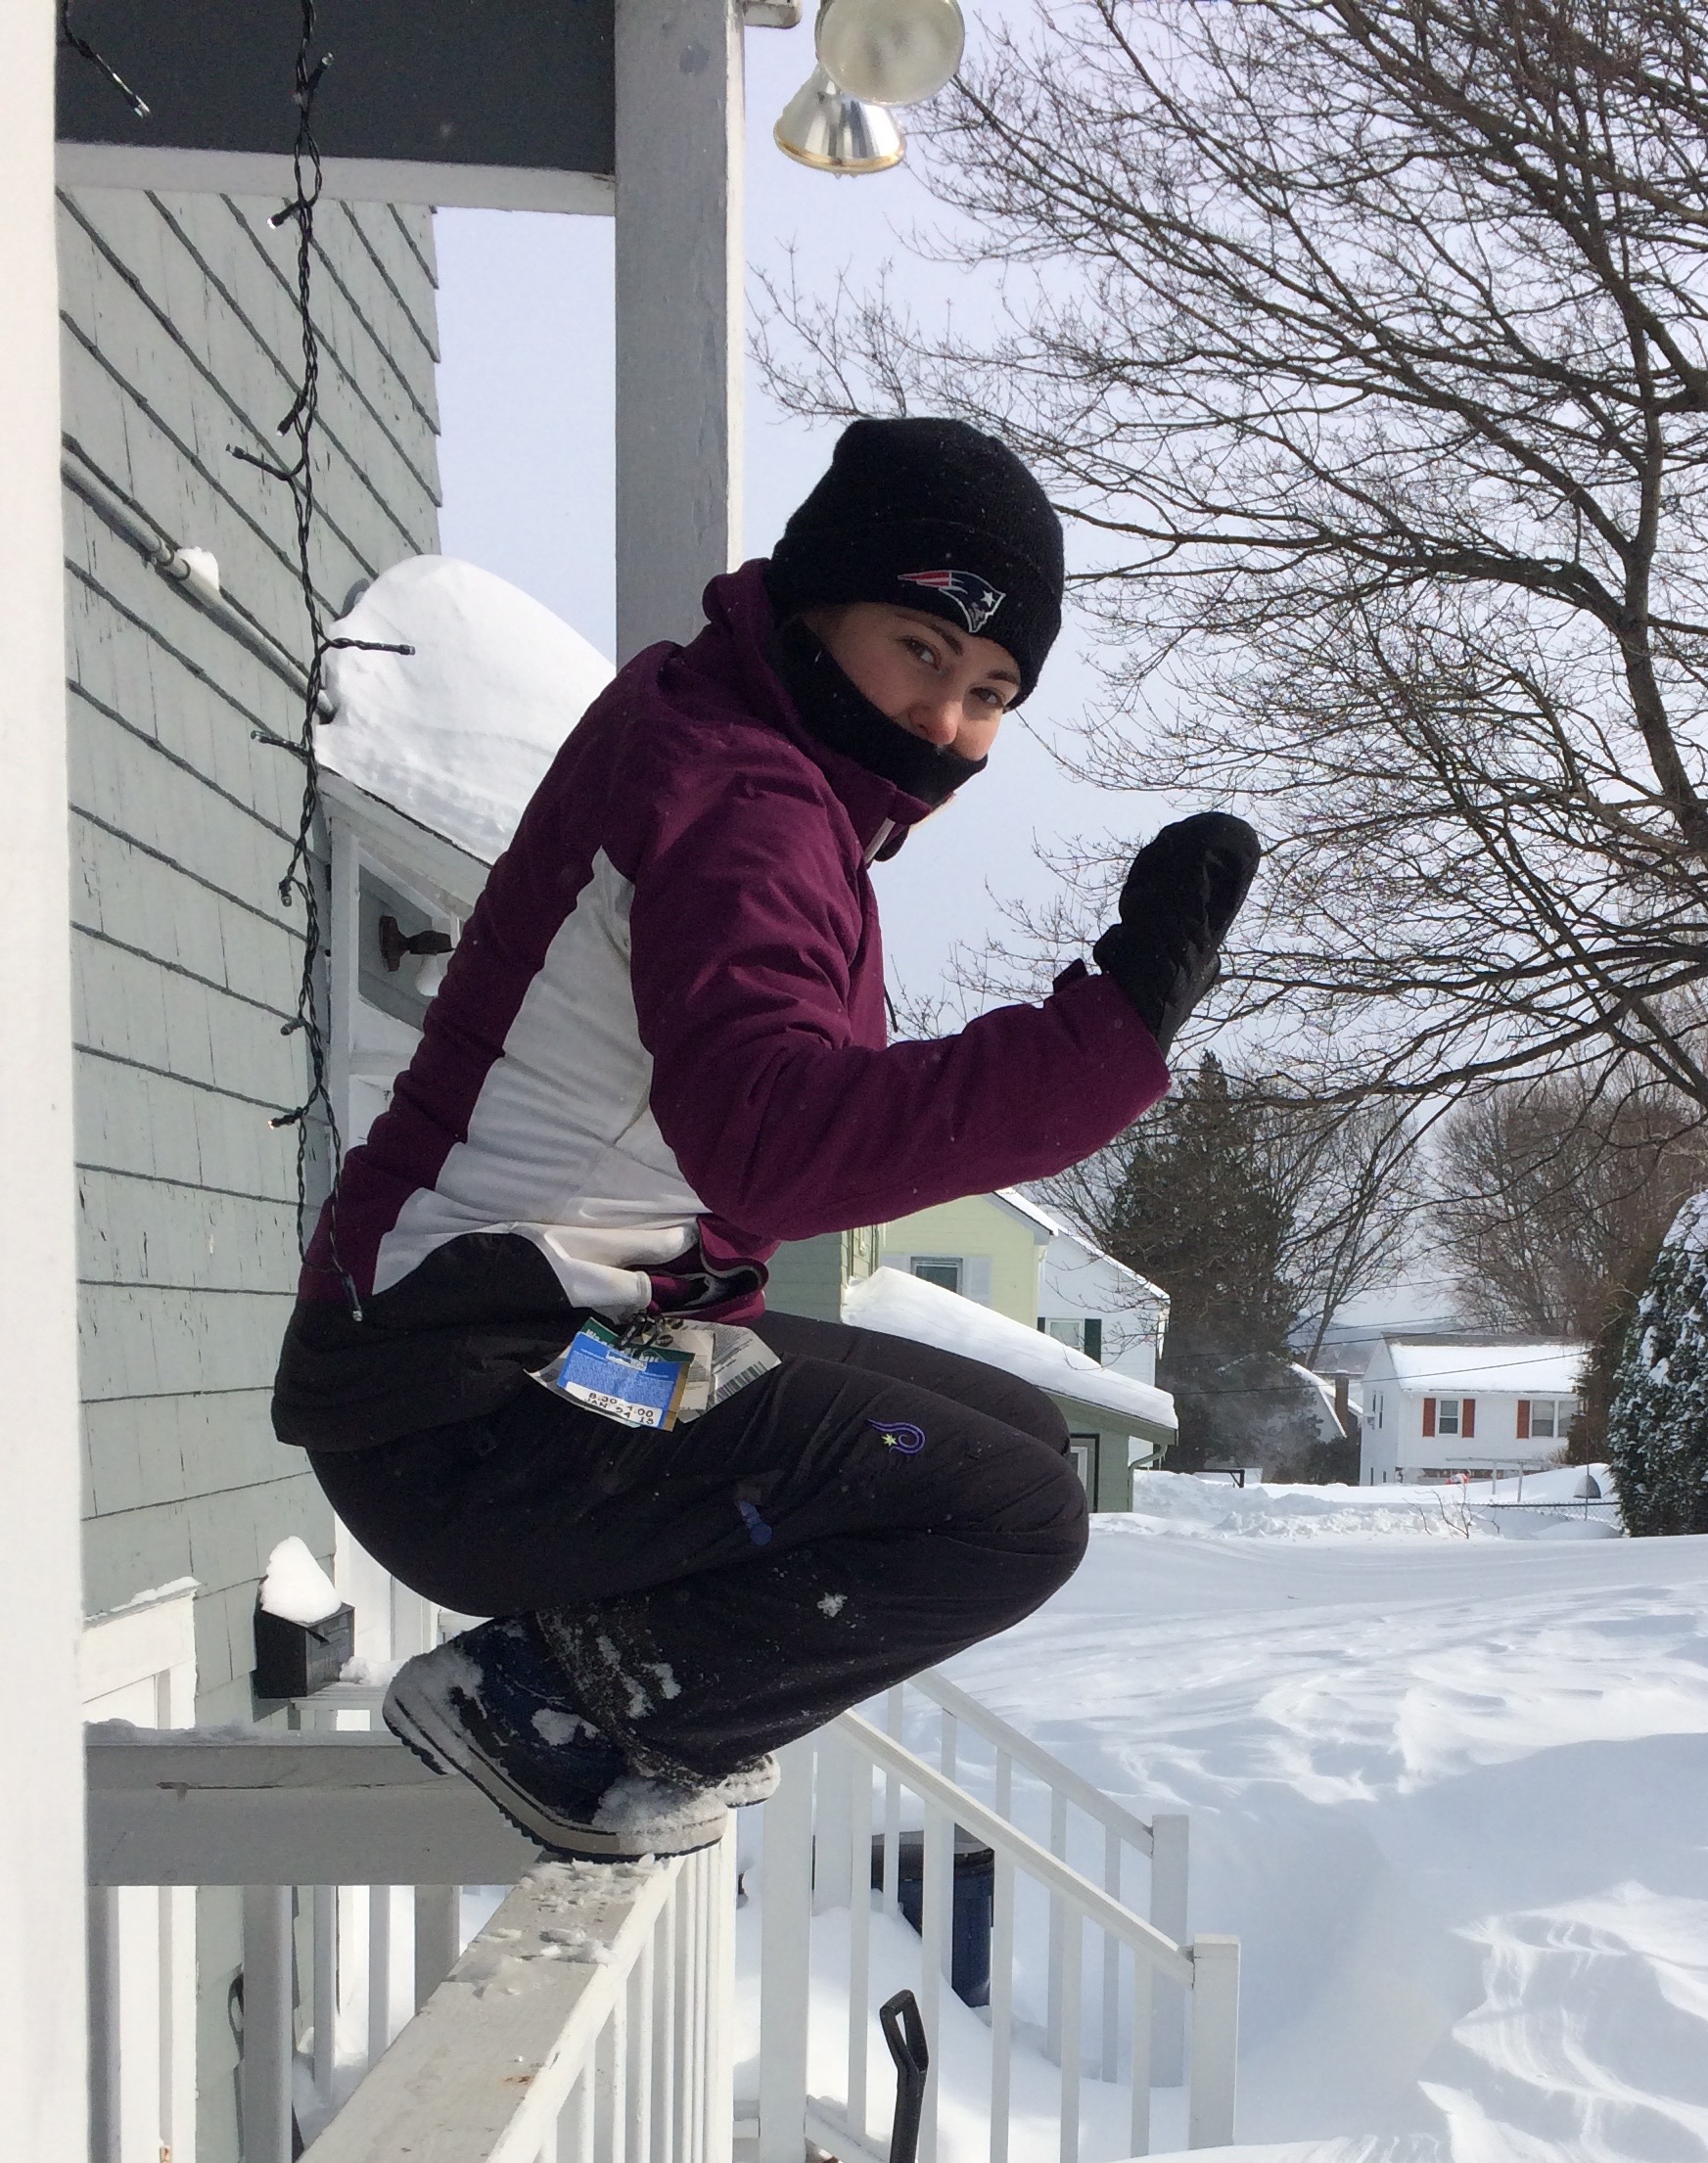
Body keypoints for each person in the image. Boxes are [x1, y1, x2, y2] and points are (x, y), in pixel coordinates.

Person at [272, 416, 1257, 1858]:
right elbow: (773, 1143)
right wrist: (1103, 1039)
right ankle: (551, 1707)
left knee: (1018, 1439)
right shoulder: (741, 800)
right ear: (817, 604)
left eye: (989, 691)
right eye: (921, 650)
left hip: (538, 1349)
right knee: (1012, 1516)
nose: (946, 724)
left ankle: (619, 1685)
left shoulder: (760, 774)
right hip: (469, 1397)